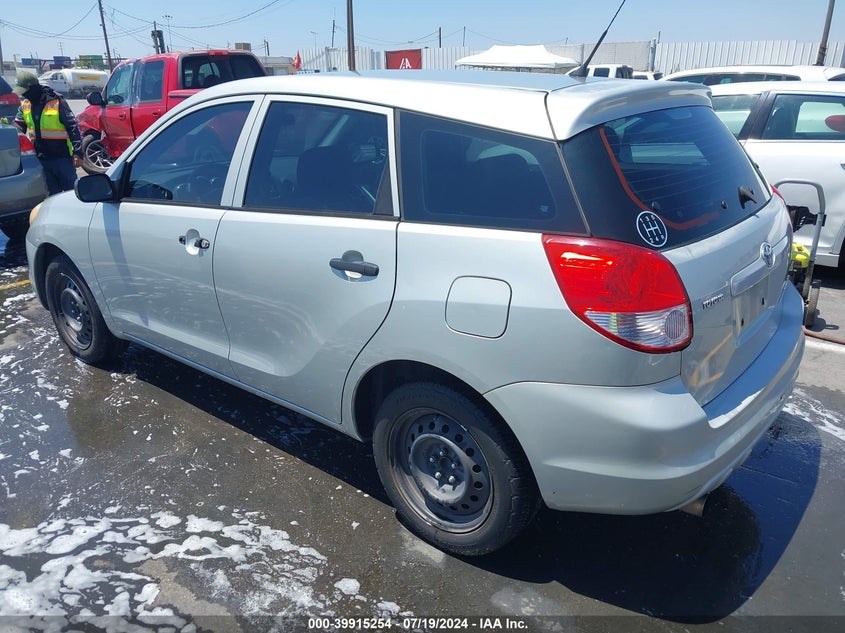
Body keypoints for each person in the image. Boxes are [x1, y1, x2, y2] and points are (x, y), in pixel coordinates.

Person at [12, 71, 83, 195]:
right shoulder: (25, 105)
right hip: (41, 159)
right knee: (52, 196)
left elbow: (73, 127)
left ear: (32, 87)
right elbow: (17, 128)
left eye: (25, 91)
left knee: (72, 194)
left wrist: (78, 153)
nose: (24, 95)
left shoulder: (56, 101)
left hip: (62, 158)